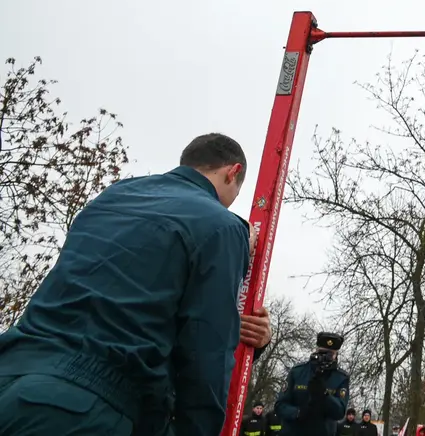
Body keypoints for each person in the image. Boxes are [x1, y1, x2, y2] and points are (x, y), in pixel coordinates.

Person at [0, 133, 253, 436]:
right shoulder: (222, 226)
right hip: (87, 408)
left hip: (11, 372)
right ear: (233, 172)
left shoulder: (114, 195)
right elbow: (207, 349)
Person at [274, 332, 350, 435]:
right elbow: (280, 406)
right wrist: (297, 413)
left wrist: (325, 396)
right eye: (322, 352)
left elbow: (339, 413)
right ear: (316, 350)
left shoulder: (341, 378)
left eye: (330, 354)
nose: (325, 357)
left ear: (336, 355)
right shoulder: (297, 372)